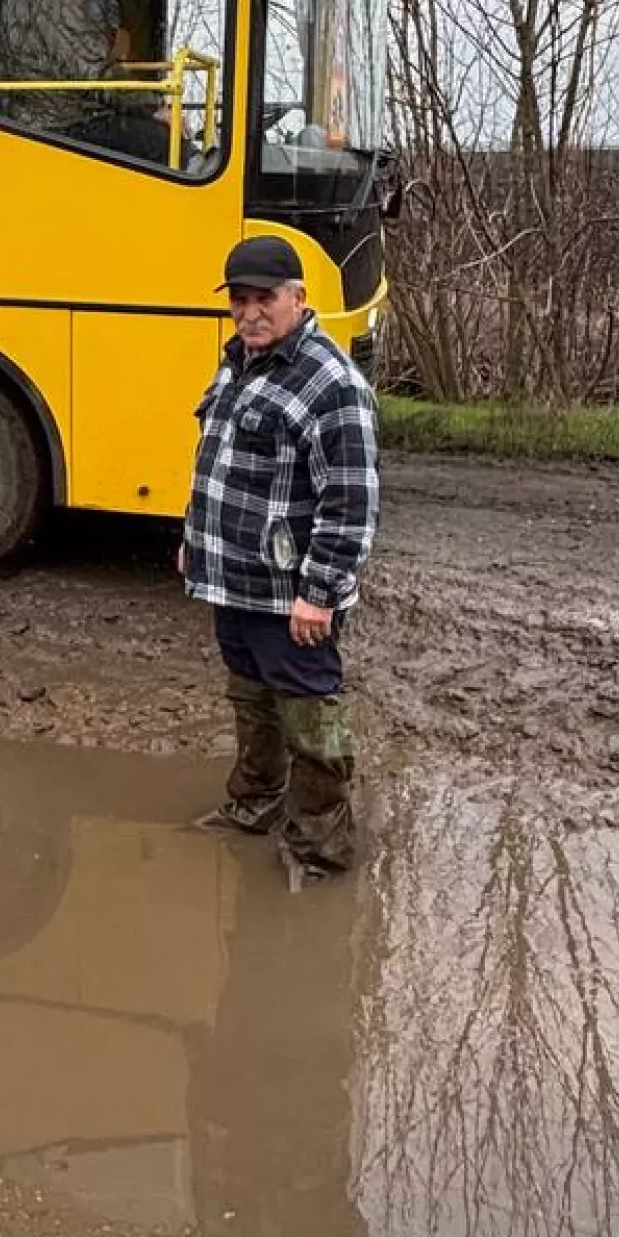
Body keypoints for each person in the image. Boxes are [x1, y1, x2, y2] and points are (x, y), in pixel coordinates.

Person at [179, 233, 379, 878]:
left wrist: (318, 593)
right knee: (250, 694)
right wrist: (192, 540)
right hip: (232, 579)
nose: (249, 313)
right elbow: (217, 463)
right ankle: (256, 803)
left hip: (290, 593)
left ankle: (321, 847)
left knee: (309, 708)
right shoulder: (239, 362)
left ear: (298, 297)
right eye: (239, 300)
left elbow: (350, 502)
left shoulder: (332, 384)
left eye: (264, 299)